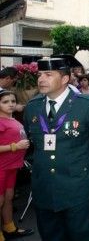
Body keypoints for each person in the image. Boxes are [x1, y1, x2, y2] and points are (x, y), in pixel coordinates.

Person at [23, 57, 89, 241]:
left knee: (81, 234)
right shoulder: (32, 106)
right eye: (39, 75)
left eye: (48, 74)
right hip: (44, 185)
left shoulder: (87, 104)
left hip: (77, 184)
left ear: (64, 79)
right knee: (50, 234)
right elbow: (32, 141)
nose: (41, 79)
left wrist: (78, 159)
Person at [0, 90, 33, 241]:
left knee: (8, 198)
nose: (11, 104)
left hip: (12, 167)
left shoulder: (13, 120)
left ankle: (9, 227)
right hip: (1, 167)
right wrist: (15, 147)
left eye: (13, 101)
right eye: (5, 102)